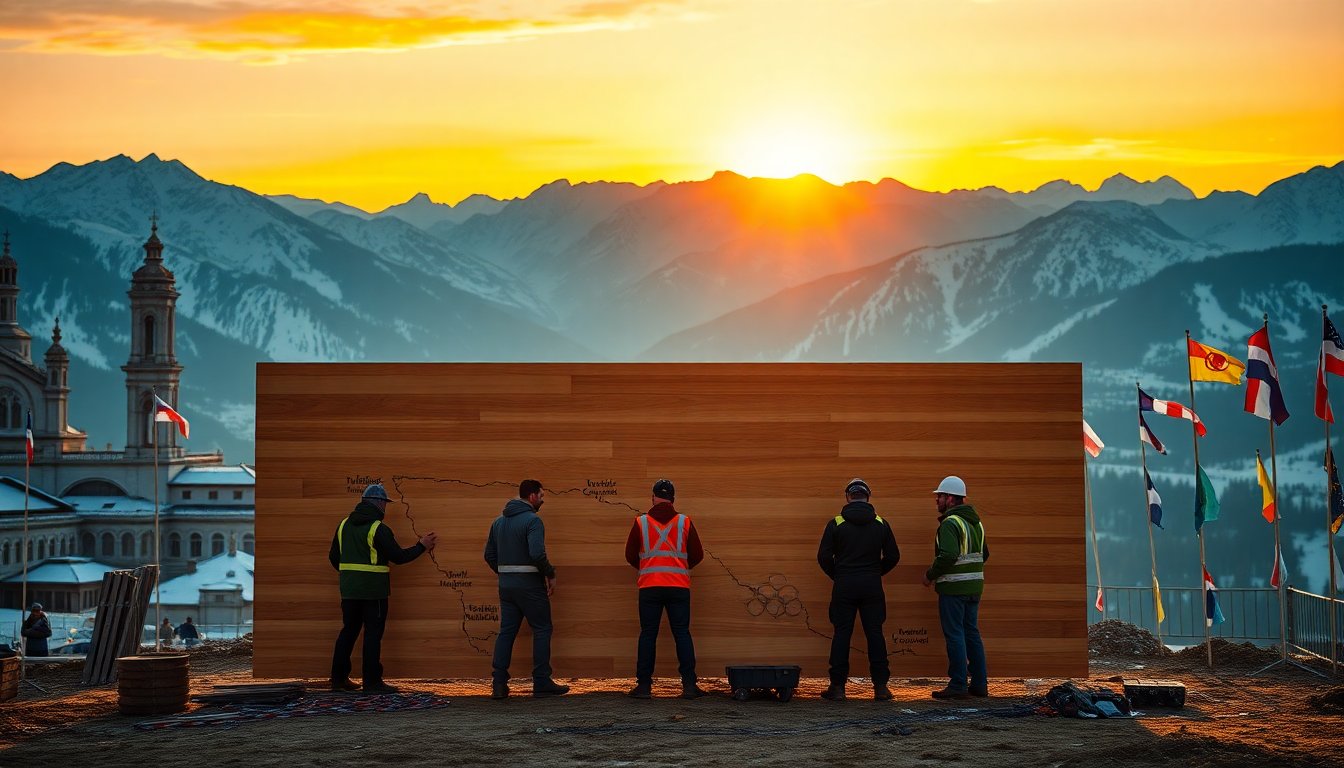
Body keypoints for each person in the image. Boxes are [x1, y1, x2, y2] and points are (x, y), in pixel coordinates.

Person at [329, 482, 438, 694]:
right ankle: (372, 683)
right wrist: (421, 546)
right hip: (374, 592)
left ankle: (338, 679)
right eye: (385, 504)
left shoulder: (343, 525)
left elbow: (334, 558)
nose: (385, 508)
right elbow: (398, 557)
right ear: (379, 503)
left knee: (348, 632)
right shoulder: (378, 529)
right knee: (372, 635)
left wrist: (351, 576)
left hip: (349, 591)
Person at [483, 479, 569, 699]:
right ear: (532, 496)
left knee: (507, 632)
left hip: (506, 587)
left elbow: (489, 555)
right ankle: (541, 681)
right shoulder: (533, 521)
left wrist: (506, 573)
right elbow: (537, 554)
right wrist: (549, 573)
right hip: (530, 586)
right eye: (541, 496)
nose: (542, 500)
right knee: (542, 629)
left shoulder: (498, 522)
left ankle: (499, 683)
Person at [816, 478, 900, 701]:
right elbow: (893, 556)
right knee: (875, 634)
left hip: (844, 585)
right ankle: (881, 687)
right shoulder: (881, 524)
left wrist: (838, 575)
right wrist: (875, 573)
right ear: (868, 498)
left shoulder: (836, 523)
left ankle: (837, 687)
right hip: (872, 585)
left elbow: (823, 557)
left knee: (842, 634)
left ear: (848, 497)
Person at [624, 479, 706, 699]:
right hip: (678, 587)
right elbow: (697, 555)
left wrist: (648, 567)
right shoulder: (684, 522)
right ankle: (689, 685)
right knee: (682, 634)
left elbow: (630, 556)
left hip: (650, 587)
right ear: (673, 499)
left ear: (653, 498)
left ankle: (643, 687)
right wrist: (678, 567)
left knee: (648, 634)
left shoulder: (640, 522)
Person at [922, 475, 989, 700]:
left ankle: (958, 683)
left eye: (940, 496)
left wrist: (930, 575)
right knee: (972, 633)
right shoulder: (976, 523)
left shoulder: (951, 523)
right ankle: (980, 684)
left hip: (954, 589)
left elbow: (948, 555)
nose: (937, 500)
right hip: (974, 588)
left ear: (950, 498)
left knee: (955, 635)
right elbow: (984, 554)